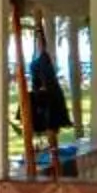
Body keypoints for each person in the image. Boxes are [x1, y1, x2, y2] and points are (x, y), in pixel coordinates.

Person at [26, 35, 71, 171]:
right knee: (45, 124)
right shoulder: (37, 59)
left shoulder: (45, 58)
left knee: (51, 124)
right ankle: (46, 150)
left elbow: (47, 78)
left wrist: (43, 89)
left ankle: (53, 151)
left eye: (40, 42)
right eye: (37, 42)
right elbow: (37, 79)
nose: (38, 44)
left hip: (49, 95)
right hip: (42, 94)